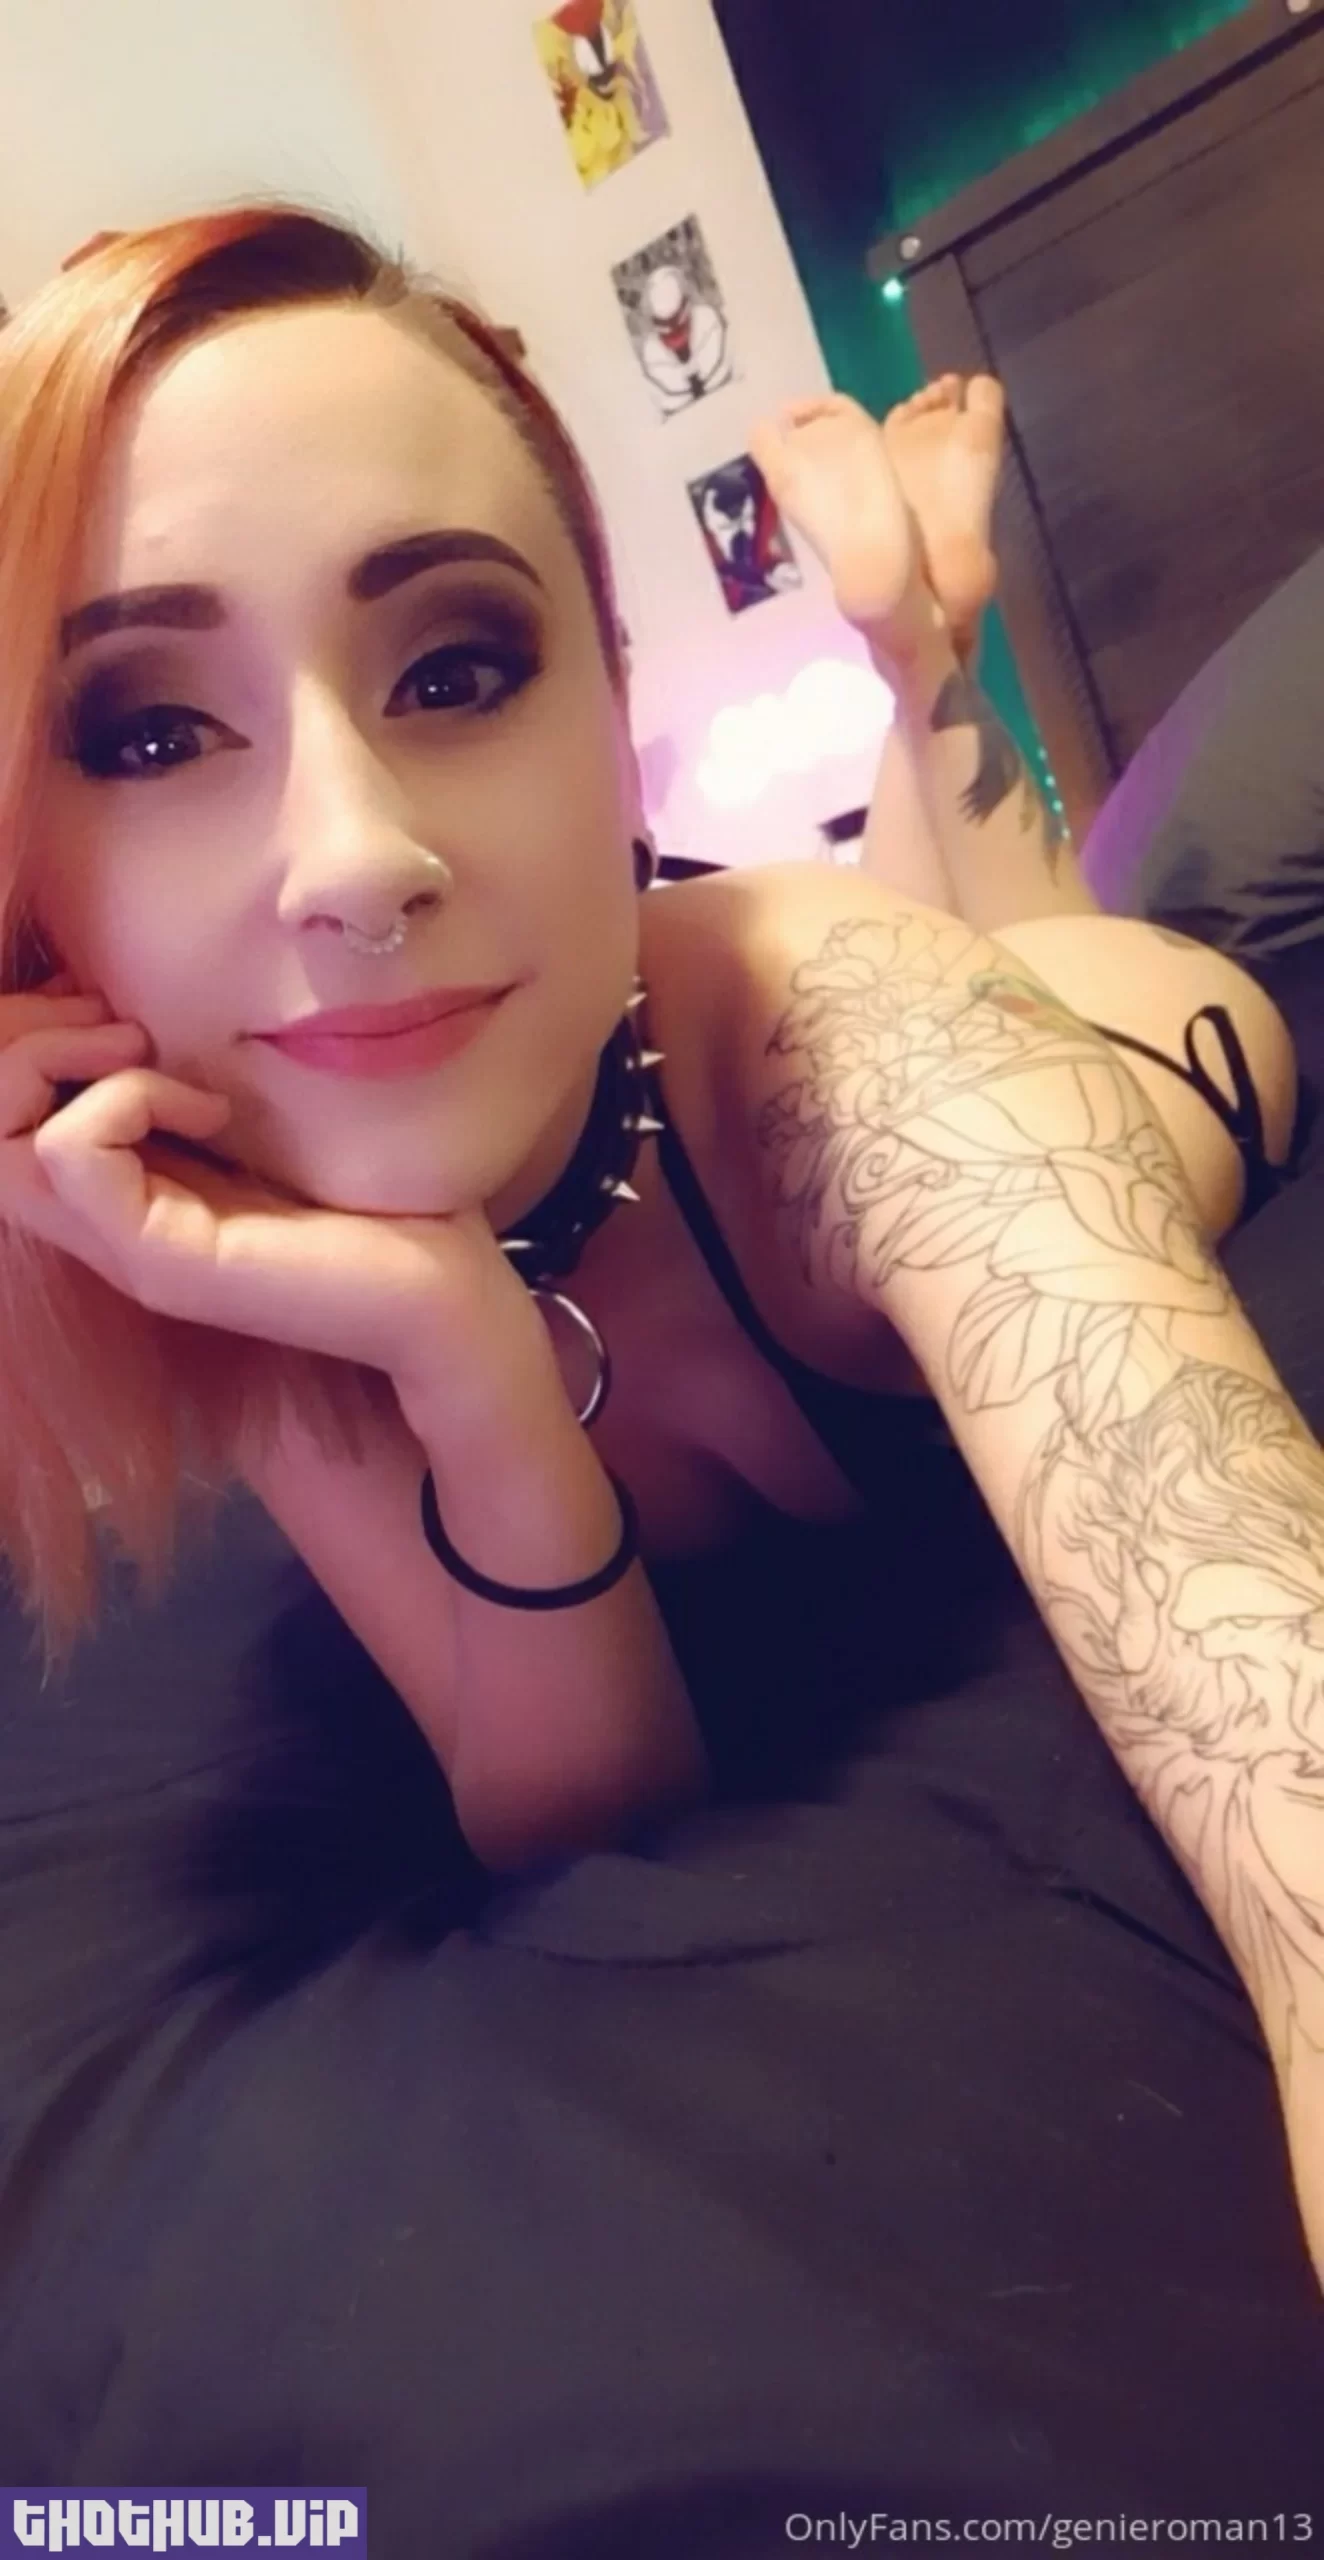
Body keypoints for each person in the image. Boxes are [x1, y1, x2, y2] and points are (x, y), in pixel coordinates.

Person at [1, 204, 1321, 2289]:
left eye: (455, 669)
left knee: (1015, 940)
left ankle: (922, 647)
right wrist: (460, 1357)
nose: (356, 857)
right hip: (752, 1027)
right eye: (151, 732)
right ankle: (913, 643)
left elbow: (1265, 1686)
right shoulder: (252, 1218)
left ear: (609, 717)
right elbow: (567, 1802)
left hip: (1113, 1042)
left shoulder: (855, 1043)